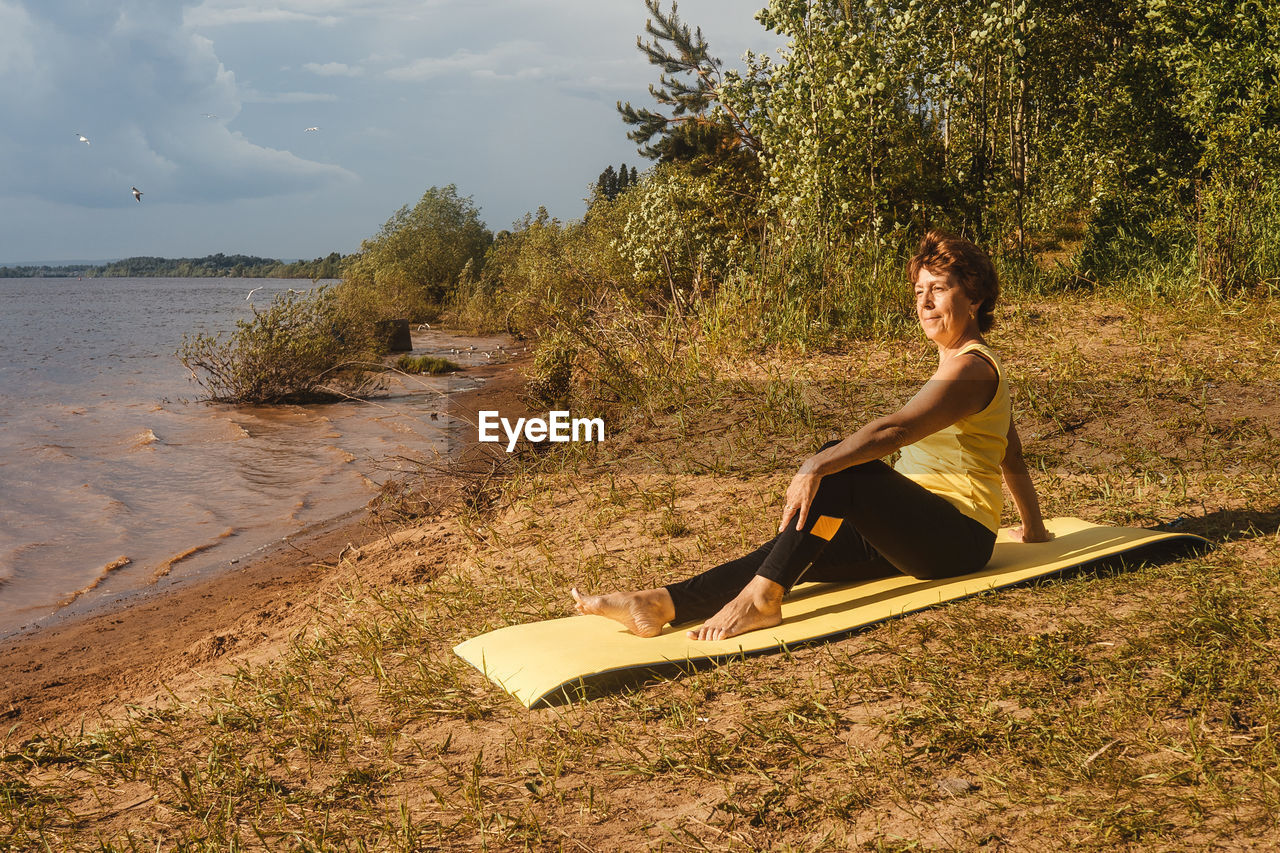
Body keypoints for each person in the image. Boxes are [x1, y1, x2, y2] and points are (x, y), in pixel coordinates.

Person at [572, 230, 1052, 642]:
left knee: (842, 466)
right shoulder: (962, 364)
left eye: (939, 289)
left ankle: (762, 601)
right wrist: (1033, 529)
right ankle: (658, 603)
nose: (924, 302)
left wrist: (815, 465)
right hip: (919, 528)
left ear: (975, 298)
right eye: (918, 291)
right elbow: (1009, 450)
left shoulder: (970, 368)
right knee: (792, 553)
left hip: (956, 540)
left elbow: (896, 429)